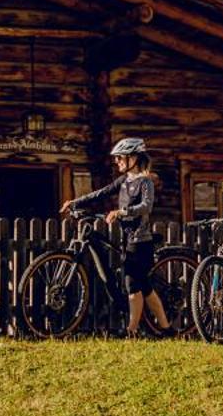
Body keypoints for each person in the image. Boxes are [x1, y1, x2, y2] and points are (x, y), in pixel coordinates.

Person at [61, 137, 171, 336]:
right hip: (127, 239)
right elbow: (101, 193)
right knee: (144, 286)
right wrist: (74, 202)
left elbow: (146, 206)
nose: (117, 162)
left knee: (132, 283)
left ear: (134, 158)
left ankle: (132, 330)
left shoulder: (145, 182)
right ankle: (166, 328)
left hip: (140, 241)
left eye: (120, 158)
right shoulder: (123, 181)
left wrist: (121, 212)